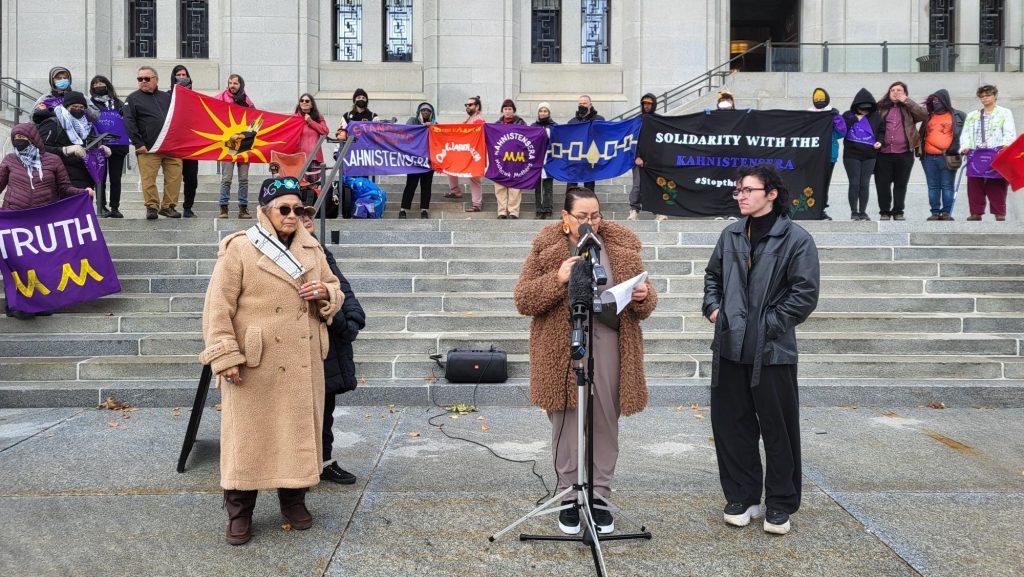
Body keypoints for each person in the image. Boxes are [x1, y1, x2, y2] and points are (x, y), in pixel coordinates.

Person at [199, 176, 342, 546]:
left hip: (301, 358)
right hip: (253, 363)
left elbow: (336, 288)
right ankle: (239, 511)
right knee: (247, 438)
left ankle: (293, 500)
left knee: (297, 433)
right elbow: (218, 307)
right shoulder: (241, 248)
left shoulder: (312, 248)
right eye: (285, 208)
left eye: (299, 209)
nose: (293, 215)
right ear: (266, 212)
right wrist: (225, 355)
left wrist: (325, 292)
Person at [513, 186, 657, 536]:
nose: (591, 222)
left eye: (595, 215)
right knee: (567, 420)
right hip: (562, 347)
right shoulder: (546, 247)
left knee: (605, 421)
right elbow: (523, 299)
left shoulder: (621, 245)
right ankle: (569, 496)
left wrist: (643, 294)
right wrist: (557, 279)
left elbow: (646, 304)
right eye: (583, 217)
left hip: (609, 343)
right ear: (565, 217)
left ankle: (600, 497)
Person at [703, 164, 820, 536]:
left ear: (771, 193)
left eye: (748, 190)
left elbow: (804, 294)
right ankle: (742, 496)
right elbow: (713, 277)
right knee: (732, 426)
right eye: (738, 191)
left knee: (778, 429)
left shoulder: (796, 238)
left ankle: (781, 503)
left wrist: (767, 325)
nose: (741, 196)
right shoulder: (731, 234)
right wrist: (713, 308)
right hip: (729, 347)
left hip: (772, 352)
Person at [296, 189, 366, 485]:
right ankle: (299, 467)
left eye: (306, 213)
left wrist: (348, 318)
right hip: (299, 343)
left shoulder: (321, 251)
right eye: (296, 213)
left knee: (325, 409)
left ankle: (323, 462)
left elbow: (343, 289)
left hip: (328, 342)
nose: (304, 219)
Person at [1, 123, 92, 319]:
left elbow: (65, 188)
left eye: (23, 139)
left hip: (43, 220)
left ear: (33, 139)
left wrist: (83, 192)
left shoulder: (53, 160)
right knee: (17, 265)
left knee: (41, 265)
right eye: (15, 139)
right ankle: (16, 305)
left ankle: (41, 303)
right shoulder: (10, 160)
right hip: (15, 220)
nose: (19, 143)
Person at [123, 65, 182, 220]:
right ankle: (152, 207)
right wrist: (138, 143)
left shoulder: (167, 97)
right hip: (148, 148)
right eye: (140, 79)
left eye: (147, 79)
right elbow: (129, 122)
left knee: (174, 178)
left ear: (156, 80)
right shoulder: (132, 99)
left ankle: (168, 207)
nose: (143, 81)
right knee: (148, 179)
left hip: (171, 146)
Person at [960, 84, 1018, 221]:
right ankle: (976, 212)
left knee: (997, 182)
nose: (985, 98)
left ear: (995, 96)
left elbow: (1009, 132)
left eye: (988, 95)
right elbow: (966, 133)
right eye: (982, 96)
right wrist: (965, 147)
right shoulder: (972, 115)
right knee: (974, 182)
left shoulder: (1005, 112)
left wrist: (1005, 146)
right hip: (976, 152)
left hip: (996, 151)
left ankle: (999, 213)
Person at [874, 81, 927, 221]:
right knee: (882, 184)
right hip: (883, 153)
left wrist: (907, 101)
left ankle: (898, 211)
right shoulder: (880, 107)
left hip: (904, 153)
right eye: (892, 90)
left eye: (899, 90)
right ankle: (884, 212)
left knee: (900, 183)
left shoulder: (909, 108)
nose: (895, 92)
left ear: (905, 93)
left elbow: (924, 115)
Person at [36, 91, 111, 190]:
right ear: (66, 107)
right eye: (75, 106)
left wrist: (100, 150)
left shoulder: (88, 126)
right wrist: (64, 150)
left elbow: (90, 147)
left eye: (82, 107)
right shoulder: (53, 123)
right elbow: (39, 149)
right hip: (60, 180)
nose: (78, 110)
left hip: (84, 179)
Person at [87, 75, 131, 219]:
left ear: (107, 85)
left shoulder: (118, 103)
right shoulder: (90, 103)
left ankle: (115, 207)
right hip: (99, 145)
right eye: (95, 84)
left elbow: (127, 120)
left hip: (118, 145)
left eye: (101, 83)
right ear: (92, 88)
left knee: (116, 178)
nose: (99, 86)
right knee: (100, 177)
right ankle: (101, 205)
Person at [920, 90, 965, 221]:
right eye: (933, 101)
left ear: (945, 100)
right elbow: (922, 134)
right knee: (932, 186)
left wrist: (957, 149)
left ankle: (946, 213)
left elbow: (965, 134)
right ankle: (934, 212)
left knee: (947, 185)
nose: (935, 103)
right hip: (928, 157)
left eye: (938, 100)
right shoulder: (929, 116)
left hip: (949, 157)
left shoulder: (958, 115)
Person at [215, 74, 254, 219]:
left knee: (243, 178)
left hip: (244, 142)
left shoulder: (246, 100)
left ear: (240, 85)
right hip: (228, 143)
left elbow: (255, 117)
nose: (232, 85)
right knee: (227, 178)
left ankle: (243, 209)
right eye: (230, 83)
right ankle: (223, 208)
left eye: (235, 83)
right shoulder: (221, 97)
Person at [841, 89, 883, 221]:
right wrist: (854, 118)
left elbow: (882, 130)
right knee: (854, 183)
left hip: (870, 155)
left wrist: (880, 142)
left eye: (867, 109)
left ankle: (863, 211)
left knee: (864, 183)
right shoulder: (848, 115)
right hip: (851, 155)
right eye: (862, 109)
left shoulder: (876, 116)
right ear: (856, 106)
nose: (865, 111)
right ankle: (854, 212)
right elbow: (841, 129)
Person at [807, 88, 847, 221]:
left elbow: (842, 132)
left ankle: (821, 210)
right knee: (810, 181)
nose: (819, 101)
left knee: (824, 183)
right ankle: (809, 208)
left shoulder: (834, 114)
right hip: (811, 155)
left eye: (821, 100)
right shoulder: (808, 114)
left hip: (829, 155)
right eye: (816, 100)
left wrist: (836, 120)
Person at [630, 93, 668, 222]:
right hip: (639, 160)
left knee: (657, 185)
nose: (646, 106)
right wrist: (637, 157)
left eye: (649, 104)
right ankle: (634, 211)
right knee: (637, 186)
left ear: (654, 105)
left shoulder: (660, 121)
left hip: (656, 160)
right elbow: (632, 140)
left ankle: (659, 212)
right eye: (644, 103)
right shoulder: (637, 121)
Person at [445, 95, 486, 212]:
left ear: (477, 107)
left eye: (470, 105)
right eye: (466, 105)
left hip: (473, 153)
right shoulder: (471, 118)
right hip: (466, 151)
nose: (467, 107)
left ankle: (477, 204)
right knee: (450, 166)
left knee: (474, 177)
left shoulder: (478, 120)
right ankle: (455, 191)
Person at [170, 65, 199, 218]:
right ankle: (170, 207)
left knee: (191, 179)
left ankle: (188, 207)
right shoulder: (168, 96)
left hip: (191, 145)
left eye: (184, 74)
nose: (181, 77)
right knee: (173, 178)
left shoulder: (195, 97)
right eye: (178, 74)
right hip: (174, 144)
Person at [400, 102, 436, 219]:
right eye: (423, 110)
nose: (425, 112)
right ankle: (403, 209)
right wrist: (423, 127)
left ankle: (424, 210)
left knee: (426, 186)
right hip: (414, 160)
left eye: (428, 110)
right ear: (419, 112)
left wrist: (433, 128)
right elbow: (406, 132)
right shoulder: (412, 121)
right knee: (411, 185)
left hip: (428, 161)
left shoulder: (435, 124)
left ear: (432, 113)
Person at [495, 99, 527, 219]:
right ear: (502, 110)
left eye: (510, 109)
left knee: (515, 187)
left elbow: (527, 140)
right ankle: (502, 211)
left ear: (513, 110)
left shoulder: (521, 123)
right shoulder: (496, 124)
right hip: (501, 160)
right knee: (500, 186)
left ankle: (514, 211)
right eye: (505, 109)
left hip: (516, 159)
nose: (507, 111)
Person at [566, 95, 605, 192]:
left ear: (590, 105)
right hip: (575, 159)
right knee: (571, 186)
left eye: (584, 103)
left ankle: (590, 206)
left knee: (589, 187)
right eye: (580, 103)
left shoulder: (599, 120)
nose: (582, 105)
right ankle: (570, 206)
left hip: (590, 158)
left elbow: (604, 136)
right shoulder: (572, 122)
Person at [532, 102, 557, 219]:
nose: (543, 113)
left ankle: (548, 208)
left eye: (545, 111)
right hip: (536, 158)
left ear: (549, 112)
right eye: (541, 111)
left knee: (548, 185)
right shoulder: (533, 126)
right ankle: (538, 208)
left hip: (550, 159)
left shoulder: (554, 126)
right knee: (538, 185)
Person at [295, 93, 330, 166]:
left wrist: (310, 121)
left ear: (312, 104)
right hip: (298, 156)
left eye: (307, 101)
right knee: (297, 177)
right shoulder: (294, 118)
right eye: (302, 100)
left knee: (312, 177)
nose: (304, 102)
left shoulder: (318, 117)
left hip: (314, 157)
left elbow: (325, 131)